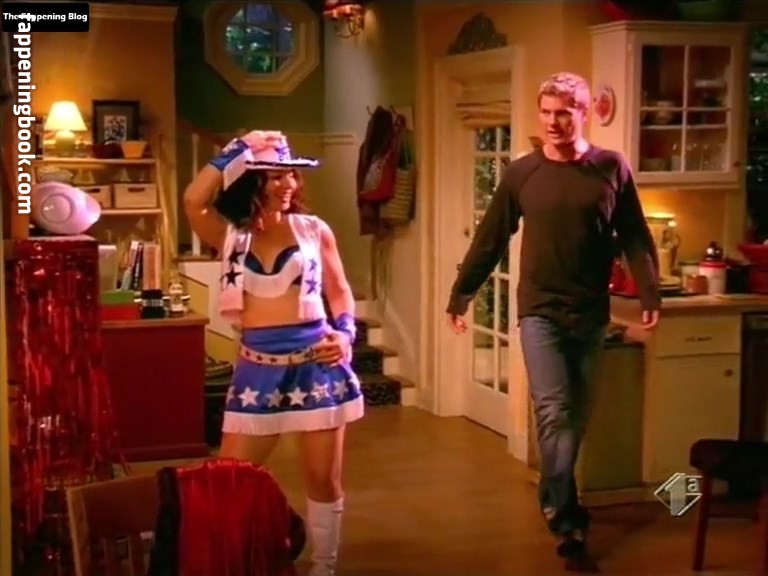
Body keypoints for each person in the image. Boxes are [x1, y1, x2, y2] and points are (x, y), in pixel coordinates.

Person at [445, 73, 660, 572]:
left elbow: (634, 233)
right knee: (555, 411)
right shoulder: (522, 174)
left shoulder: (611, 167)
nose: (553, 122)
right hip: (539, 310)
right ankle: (567, 523)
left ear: (583, 112)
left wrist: (649, 289)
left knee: (575, 416)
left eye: (563, 112)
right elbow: (490, 238)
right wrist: (462, 294)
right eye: (546, 112)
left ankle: (558, 497)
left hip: (590, 312)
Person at [184, 130, 364, 576]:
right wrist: (239, 148)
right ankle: (236, 558)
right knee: (229, 477)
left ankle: (324, 566)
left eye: (292, 176)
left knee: (323, 479)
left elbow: (340, 291)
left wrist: (345, 334)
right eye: (276, 176)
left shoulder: (313, 229)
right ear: (251, 180)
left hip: (316, 367)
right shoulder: (228, 232)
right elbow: (193, 199)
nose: (289, 184)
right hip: (257, 371)